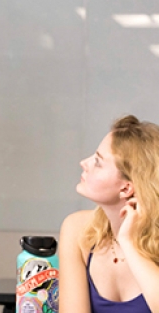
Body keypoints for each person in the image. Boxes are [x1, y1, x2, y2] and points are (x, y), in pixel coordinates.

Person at [59, 115, 159, 313]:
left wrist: (128, 243)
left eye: (98, 161)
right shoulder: (77, 229)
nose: (83, 162)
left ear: (126, 188)